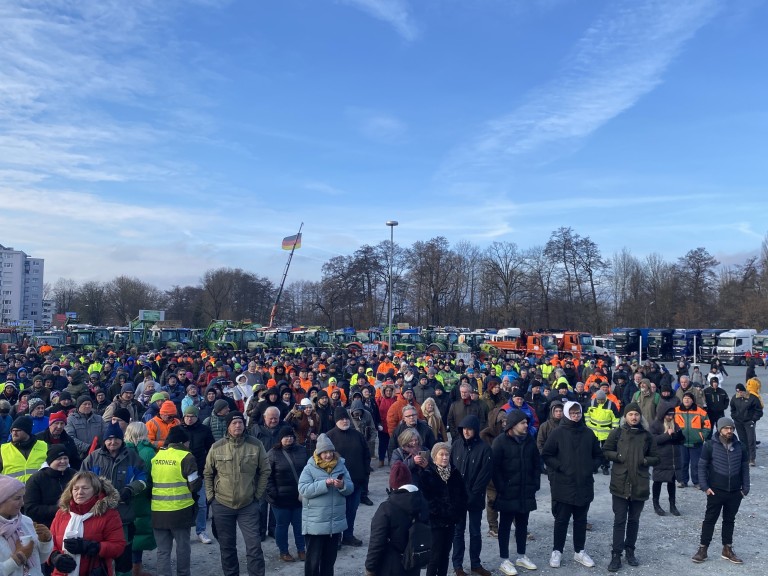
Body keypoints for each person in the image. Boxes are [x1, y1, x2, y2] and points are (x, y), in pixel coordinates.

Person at [204, 410, 269, 576]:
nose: (238, 425)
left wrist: (257, 495)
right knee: (227, 547)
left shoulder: (256, 445)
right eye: (234, 423)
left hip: (248, 504)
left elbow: (265, 470)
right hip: (222, 504)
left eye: (240, 422)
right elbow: (208, 473)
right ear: (228, 426)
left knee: (254, 546)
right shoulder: (217, 447)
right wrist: (211, 497)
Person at [80, 423, 148, 576]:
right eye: (109, 439)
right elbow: (81, 479)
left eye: (116, 438)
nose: (113, 442)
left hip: (123, 514)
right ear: (104, 440)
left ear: (121, 440)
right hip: (98, 514)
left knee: (123, 555)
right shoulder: (93, 457)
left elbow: (143, 478)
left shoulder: (132, 456)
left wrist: (130, 489)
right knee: (100, 553)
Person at [541, 401, 601, 569]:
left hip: (584, 484)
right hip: (563, 484)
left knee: (581, 520)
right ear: (567, 414)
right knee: (561, 520)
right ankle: (557, 551)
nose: (575, 416)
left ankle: (579, 551)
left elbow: (598, 454)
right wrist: (561, 467)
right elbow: (547, 454)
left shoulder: (588, 433)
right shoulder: (558, 433)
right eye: (572, 413)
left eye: (578, 413)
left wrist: (591, 467)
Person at [602, 402, 659, 572]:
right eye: (630, 414)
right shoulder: (617, 433)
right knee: (620, 520)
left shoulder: (647, 436)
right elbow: (605, 451)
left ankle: (630, 551)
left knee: (634, 520)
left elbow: (656, 457)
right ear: (625, 417)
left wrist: (645, 460)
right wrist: (618, 456)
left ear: (640, 416)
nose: (634, 417)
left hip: (639, 484)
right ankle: (616, 555)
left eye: (636, 414)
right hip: (620, 483)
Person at [691, 417, 750, 565]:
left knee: (729, 520)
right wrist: (705, 486)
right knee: (710, 520)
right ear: (719, 429)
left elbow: (745, 468)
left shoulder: (740, 446)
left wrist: (745, 488)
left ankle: (727, 549)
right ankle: (703, 550)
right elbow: (702, 466)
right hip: (715, 491)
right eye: (726, 428)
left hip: (735, 492)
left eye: (731, 428)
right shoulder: (710, 445)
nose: (729, 431)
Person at [491, 411, 541, 576]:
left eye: (527, 423)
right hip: (507, 491)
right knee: (505, 526)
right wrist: (502, 486)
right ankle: (504, 560)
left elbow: (536, 464)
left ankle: (521, 556)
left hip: (525, 490)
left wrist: (534, 484)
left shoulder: (529, 441)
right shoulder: (500, 442)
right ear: (513, 425)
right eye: (523, 423)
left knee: (522, 524)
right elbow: (494, 468)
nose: (527, 425)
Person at [48, 471, 126, 576]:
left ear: (96, 491)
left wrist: (92, 547)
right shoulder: (62, 513)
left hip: (94, 572)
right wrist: (55, 557)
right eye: (75, 489)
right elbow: (49, 544)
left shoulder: (108, 514)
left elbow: (118, 546)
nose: (79, 492)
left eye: (85, 488)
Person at [298, 433, 353, 576]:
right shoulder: (309, 468)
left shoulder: (341, 465)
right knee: (313, 562)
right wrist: (324, 484)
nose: (328, 455)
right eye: (324, 452)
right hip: (315, 524)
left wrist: (342, 485)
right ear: (318, 453)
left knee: (329, 561)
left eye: (330, 452)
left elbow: (350, 488)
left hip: (334, 524)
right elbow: (303, 489)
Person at [151, 426, 200, 576]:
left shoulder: (157, 457)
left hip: (158, 511)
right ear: (183, 442)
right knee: (183, 548)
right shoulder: (186, 457)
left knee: (163, 551)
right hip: (181, 510)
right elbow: (194, 485)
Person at [364, 461, 429, 576]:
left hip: (390, 566)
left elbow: (376, 542)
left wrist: (370, 568)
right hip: (413, 562)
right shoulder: (423, 502)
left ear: (392, 484)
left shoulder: (386, 508)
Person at [451, 415, 493, 576]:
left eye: (469, 429)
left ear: (475, 430)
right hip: (458, 497)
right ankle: (458, 566)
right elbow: (452, 469)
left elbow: (485, 474)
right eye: (464, 429)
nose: (466, 432)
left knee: (475, 532)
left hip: (475, 497)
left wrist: (474, 493)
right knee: (458, 532)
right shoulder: (456, 445)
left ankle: (475, 563)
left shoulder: (484, 449)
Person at [416, 441, 467, 576]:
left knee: (445, 555)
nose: (445, 457)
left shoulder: (455, 473)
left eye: (447, 454)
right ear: (434, 457)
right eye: (441, 454)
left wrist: (457, 512)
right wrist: (437, 511)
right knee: (435, 556)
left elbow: (462, 496)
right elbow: (424, 500)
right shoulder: (427, 474)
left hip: (451, 521)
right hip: (435, 522)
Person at [326, 407, 369, 547]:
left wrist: (365, 474)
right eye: (341, 419)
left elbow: (366, 455)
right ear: (336, 420)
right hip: (337, 483)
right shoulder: (329, 437)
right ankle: (336, 538)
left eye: (346, 418)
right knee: (338, 511)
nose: (344, 421)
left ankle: (348, 535)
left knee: (352, 510)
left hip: (356, 481)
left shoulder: (357, 435)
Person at [266, 427, 308, 562]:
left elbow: (308, 470)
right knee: (282, 526)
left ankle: (301, 549)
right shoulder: (272, 454)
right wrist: (273, 492)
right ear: (280, 439)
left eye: (291, 436)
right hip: (280, 498)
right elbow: (267, 475)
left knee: (299, 525)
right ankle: (283, 551)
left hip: (298, 496)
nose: (288, 439)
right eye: (285, 436)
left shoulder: (302, 450)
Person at [0, 474, 53, 576]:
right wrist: (17, 559)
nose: (22, 503)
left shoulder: (26, 521)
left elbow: (41, 559)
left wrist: (45, 541)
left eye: (22, 497)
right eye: (17, 498)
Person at [123, 421, 156, 576]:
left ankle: (125, 568)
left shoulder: (121, 450)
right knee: (140, 533)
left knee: (125, 533)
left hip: (124, 497)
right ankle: (137, 568)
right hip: (143, 498)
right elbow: (151, 477)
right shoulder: (148, 452)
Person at [180, 406, 215, 544]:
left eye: (192, 416)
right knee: (184, 505)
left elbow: (211, 449)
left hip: (199, 472)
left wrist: (208, 466)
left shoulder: (204, 430)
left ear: (196, 417)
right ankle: (185, 532)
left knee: (201, 504)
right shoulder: (177, 430)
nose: (189, 419)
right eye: (187, 416)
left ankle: (201, 531)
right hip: (181, 473)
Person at [24, 445, 77, 527]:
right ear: (50, 461)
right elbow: (30, 508)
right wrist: (59, 509)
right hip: (46, 526)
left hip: (72, 523)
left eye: (65, 458)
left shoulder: (74, 475)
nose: (63, 461)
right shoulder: (36, 479)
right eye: (59, 459)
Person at [649, 407, 683, 516]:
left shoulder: (675, 424)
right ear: (663, 415)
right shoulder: (655, 425)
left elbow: (681, 440)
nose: (670, 417)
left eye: (672, 415)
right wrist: (667, 434)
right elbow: (654, 440)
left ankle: (672, 505)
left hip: (673, 459)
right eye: (668, 415)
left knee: (671, 482)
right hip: (660, 457)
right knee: (658, 481)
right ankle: (656, 505)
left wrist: (679, 435)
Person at [674, 392, 711, 488]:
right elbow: (669, 422)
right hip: (681, 442)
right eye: (685, 398)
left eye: (689, 398)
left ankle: (697, 481)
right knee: (682, 462)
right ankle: (682, 481)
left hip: (696, 442)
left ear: (692, 400)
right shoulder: (676, 411)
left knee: (696, 464)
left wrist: (702, 436)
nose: (686, 400)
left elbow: (707, 425)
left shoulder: (700, 411)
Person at [0, 416, 47, 483]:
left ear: (27, 431)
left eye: (18, 430)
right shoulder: (3, 449)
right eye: (12, 431)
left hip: (39, 490)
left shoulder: (44, 446)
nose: (14, 433)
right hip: (13, 491)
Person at [730, 384, 762, 467]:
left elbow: (759, 410)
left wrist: (753, 420)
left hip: (749, 422)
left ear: (744, 391)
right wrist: (734, 417)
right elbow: (732, 409)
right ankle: (745, 457)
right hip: (738, 422)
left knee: (751, 439)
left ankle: (752, 458)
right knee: (742, 440)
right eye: (738, 392)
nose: (740, 393)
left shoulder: (752, 398)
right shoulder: (734, 398)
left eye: (741, 391)